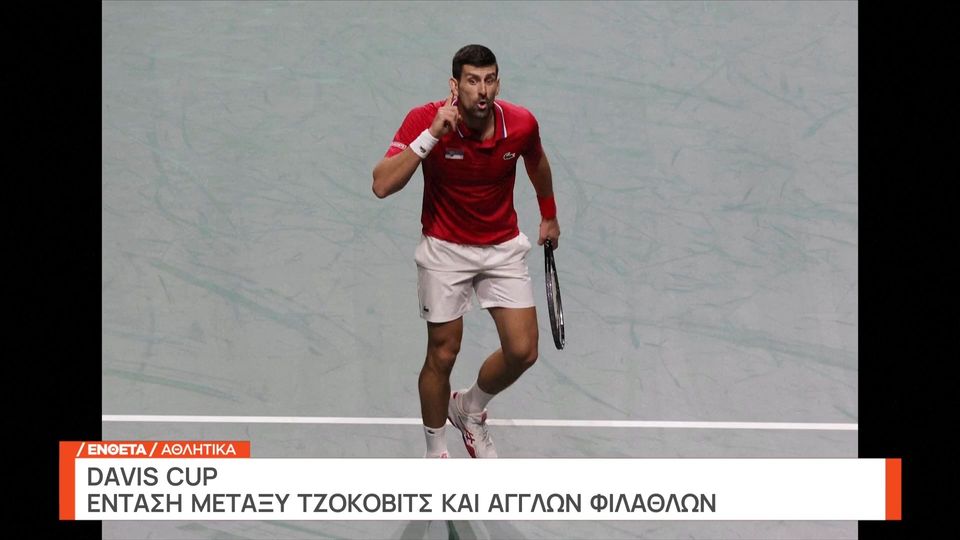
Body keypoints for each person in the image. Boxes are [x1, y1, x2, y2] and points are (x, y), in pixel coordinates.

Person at [371, 44, 560, 458]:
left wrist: (548, 214)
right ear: (455, 86)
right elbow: (382, 184)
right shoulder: (425, 119)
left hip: (501, 246)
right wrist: (431, 137)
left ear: (498, 84)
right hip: (445, 249)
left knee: (523, 351)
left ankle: (469, 408)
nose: (482, 90)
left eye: (489, 80)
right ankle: (436, 452)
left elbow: (537, 162)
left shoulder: (521, 124)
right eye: (473, 81)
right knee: (443, 353)